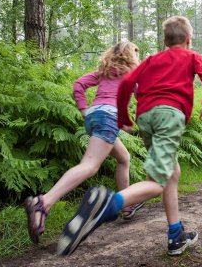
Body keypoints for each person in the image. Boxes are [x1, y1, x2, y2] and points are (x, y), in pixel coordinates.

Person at [56, 15, 202, 257]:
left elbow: (127, 83)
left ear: (165, 40)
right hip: (169, 116)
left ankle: (176, 235)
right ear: (188, 39)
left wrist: (124, 117)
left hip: (147, 117)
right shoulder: (192, 56)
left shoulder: (152, 59)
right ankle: (108, 205)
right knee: (157, 181)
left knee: (172, 173)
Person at [24, 41, 144, 244]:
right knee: (89, 166)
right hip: (108, 118)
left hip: (94, 116)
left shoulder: (104, 71)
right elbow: (143, 98)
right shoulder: (133, 75)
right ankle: (43, 203)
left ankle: (126, 206)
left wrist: (83, 109)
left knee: (124, 158)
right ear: (131, 56)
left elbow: (79, 84)